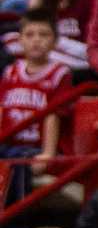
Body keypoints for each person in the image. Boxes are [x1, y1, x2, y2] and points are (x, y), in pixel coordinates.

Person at [0, 10, 70, 202]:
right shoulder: (10, 71)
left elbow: (53, 115)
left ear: (55, 41)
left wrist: (47, 154)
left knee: (18, 164)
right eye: (30, 35)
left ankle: (15, 222)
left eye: (44, 34)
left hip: (34, 147)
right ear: (20, 40)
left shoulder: (59, 74)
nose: (36, 40)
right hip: (8, 142)